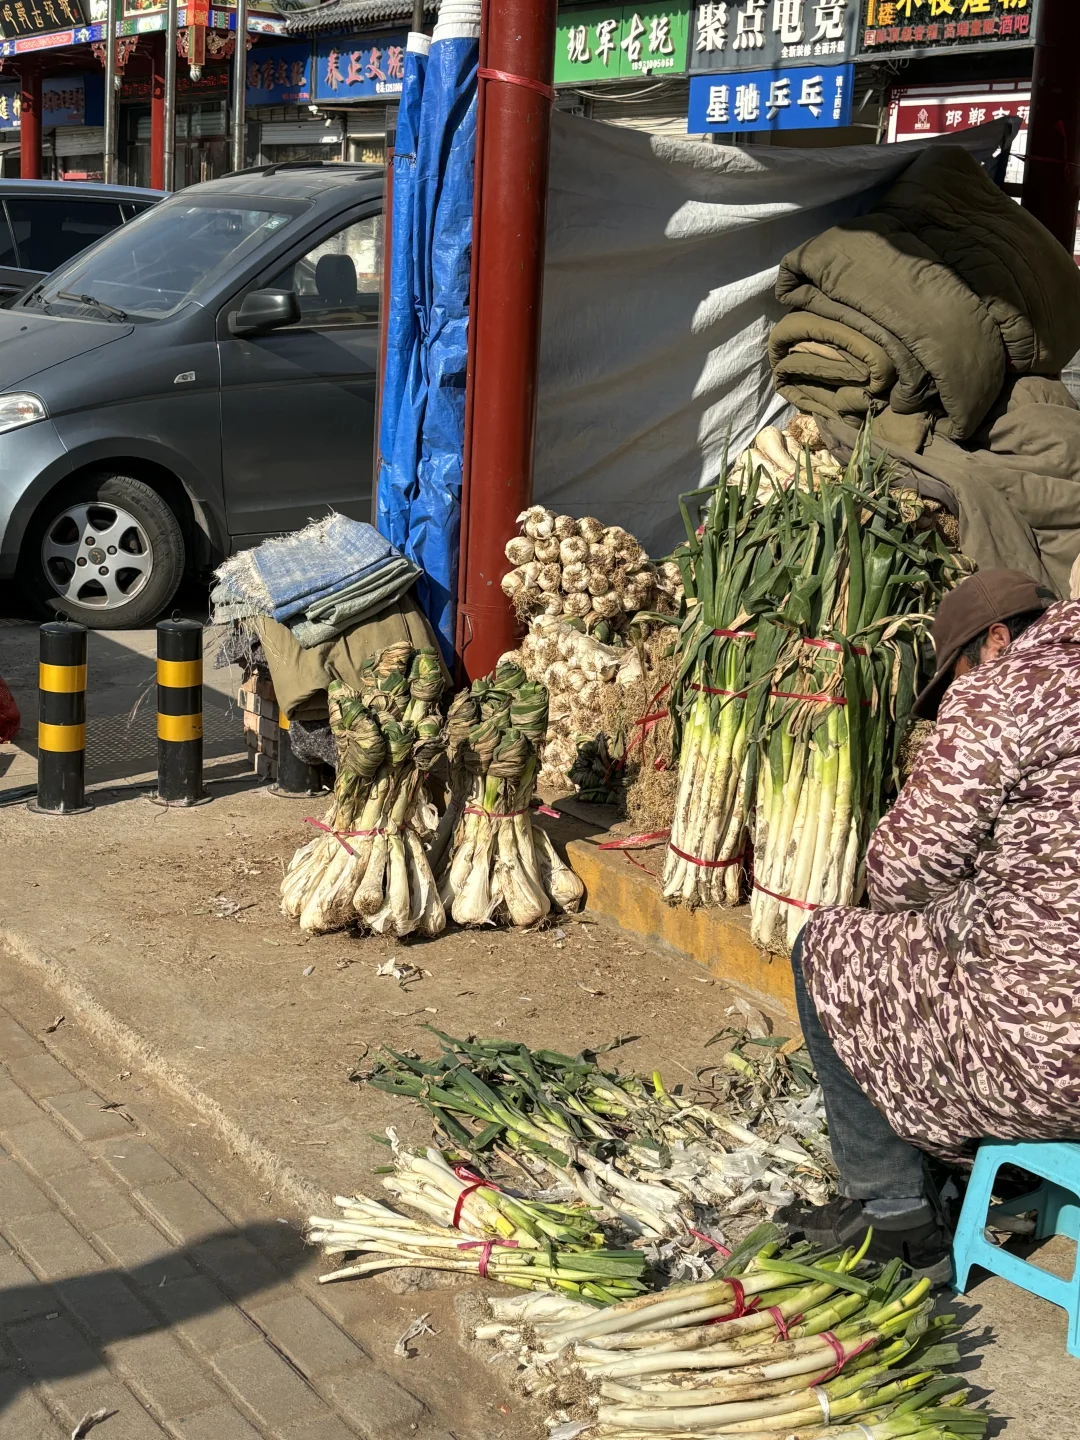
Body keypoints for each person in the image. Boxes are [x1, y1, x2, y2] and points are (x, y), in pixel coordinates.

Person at [778, 569, 1080, 1283]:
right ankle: (987, 1170)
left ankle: (895, 1214)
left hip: (1055, 1066)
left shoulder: (1015, 689)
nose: (955, 697)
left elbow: (902, 874)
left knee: (829, 948)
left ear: (997, 641)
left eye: (957, 675)